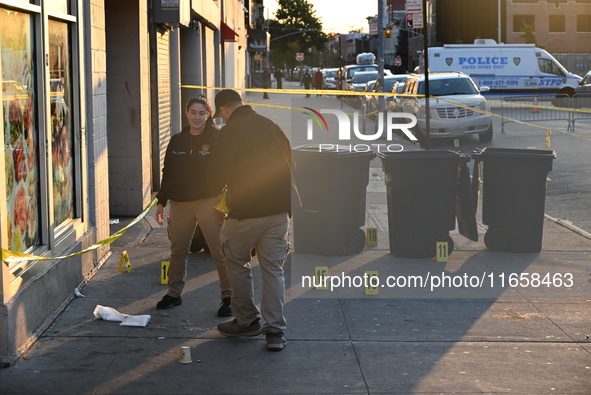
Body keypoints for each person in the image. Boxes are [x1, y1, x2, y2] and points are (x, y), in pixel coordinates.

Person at [209, 89, 291, 352]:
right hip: (278, 212)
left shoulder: (230, 131)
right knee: (273, 270)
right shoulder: (272, 125)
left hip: (245, 212)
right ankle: (275, 331)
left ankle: (246, 321)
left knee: (235, 260)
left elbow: (217, 173)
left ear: (223, 110)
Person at [155, 97, 232, 317]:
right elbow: (167, 172)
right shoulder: (177, 140)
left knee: (219, 251)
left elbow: (228, 168)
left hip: (209, 202)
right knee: (178, 251)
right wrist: (162, 201)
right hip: (180, 204)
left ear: (208, 115)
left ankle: (228, 297)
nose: (197, 117)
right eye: (193, 112)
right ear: (186, 113)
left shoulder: (217, 139)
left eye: (202, 113)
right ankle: (174, 293)